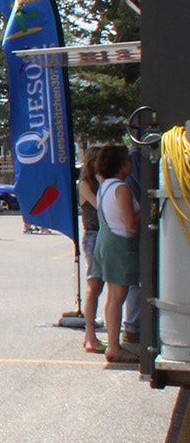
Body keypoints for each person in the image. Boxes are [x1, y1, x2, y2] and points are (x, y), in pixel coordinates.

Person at [89, 144, 139, 364]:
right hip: (119, 244)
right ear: (121, 164)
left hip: (104, 241)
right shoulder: (122, 188)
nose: (131, 163)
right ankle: (115, 347)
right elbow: (129, 221)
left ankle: (113, 342)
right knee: (118, 297)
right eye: (128, 159)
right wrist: (150, 211)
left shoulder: (104, 186)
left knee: (112, 297)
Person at [77, 147, 105, 351]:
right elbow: (101, 206)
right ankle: (90, 334)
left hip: (105, 234)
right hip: (93, 234)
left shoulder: (102, 181)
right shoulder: (86, 184)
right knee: (94, 285)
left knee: (109, 286)